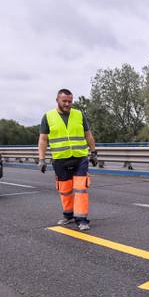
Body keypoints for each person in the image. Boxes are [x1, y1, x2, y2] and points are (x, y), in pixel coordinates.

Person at [37, 89, 98, 232]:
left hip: (79, 157)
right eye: (64, 101)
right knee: (65, 190)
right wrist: (41, 159)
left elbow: (88, 134)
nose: (67, 104)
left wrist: (93, 152)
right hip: (60, 159)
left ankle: (81, 219)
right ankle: (68, 215)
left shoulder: (79, 115)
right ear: (57, 100)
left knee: (81, 189)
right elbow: (43, 139)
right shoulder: (48, 116)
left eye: (70, 101)